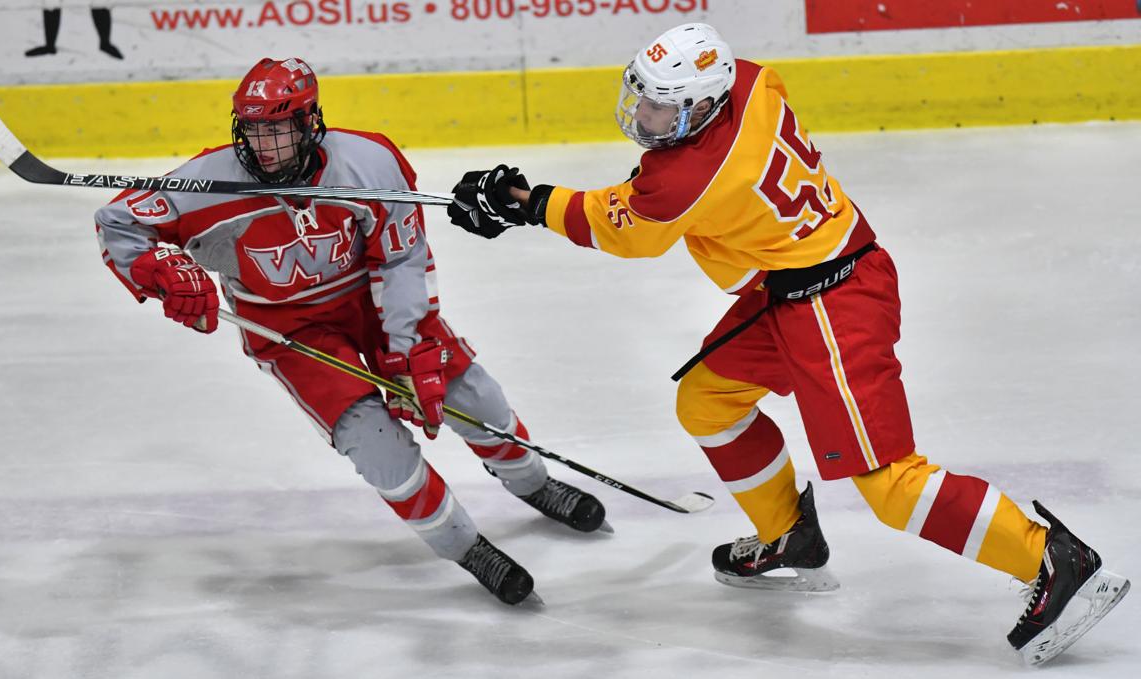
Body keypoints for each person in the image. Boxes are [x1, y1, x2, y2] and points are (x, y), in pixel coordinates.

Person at [445, 23, 1129, 662]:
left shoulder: (687, 177)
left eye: (663, 111)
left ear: (705, 106)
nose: (646, 120)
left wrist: (525, 203)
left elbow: (621, 224)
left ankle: (1049, 558)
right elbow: (652, 194)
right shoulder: (750, 80)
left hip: (837, 301)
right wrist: (528, 198)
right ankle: (790, 534)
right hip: (793, 282)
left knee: (890, 484)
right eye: (644, 102)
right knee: (707, 401)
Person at [93, 57, 607, 606]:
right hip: (290, 330)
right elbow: (119, 222)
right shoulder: (206, 183)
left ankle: (535, 484)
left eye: (279, 129)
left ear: (310, 123)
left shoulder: (368, 162)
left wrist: (407, 349)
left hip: (372, 299)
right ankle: (464, 545)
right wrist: (161, 270)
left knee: (470, 394)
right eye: (254, 130)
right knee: (377, 447)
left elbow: (402, 258)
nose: (265, 147)